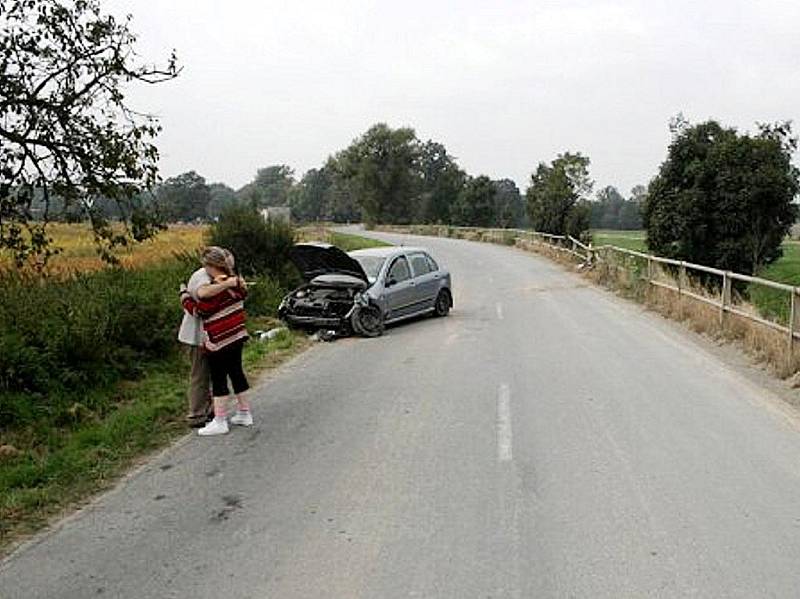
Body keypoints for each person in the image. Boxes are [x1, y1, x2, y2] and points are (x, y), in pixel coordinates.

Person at [180, 246, 252, 436]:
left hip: (219, 339)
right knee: (237, 373)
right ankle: (244, 412)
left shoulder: (217, 286)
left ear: (211, 265)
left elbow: (202, 308)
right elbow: (240, 294)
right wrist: (231, 282)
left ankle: (218, 419)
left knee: (218, 378)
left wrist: (184, 297)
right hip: (237, 335)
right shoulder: (237, 284)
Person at [177, 259, 213, 428]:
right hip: (195, 336)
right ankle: (196, 413)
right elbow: (201, 308)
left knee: (208, 373)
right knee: (199, 374)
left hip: (203, 335)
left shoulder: (209, 275)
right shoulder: (202, 278)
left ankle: (208, 407)